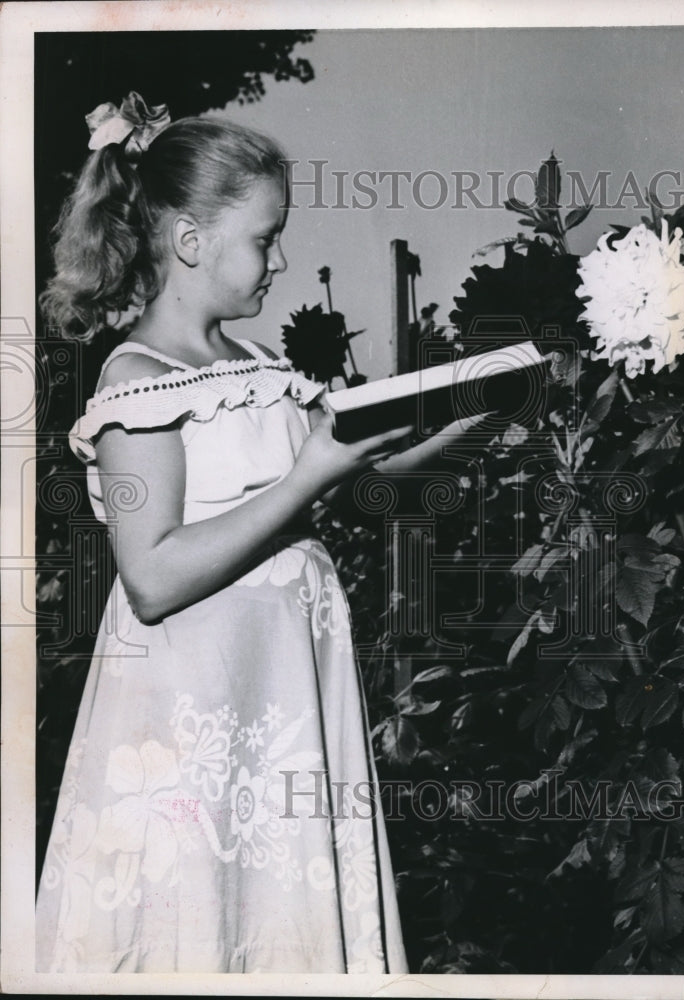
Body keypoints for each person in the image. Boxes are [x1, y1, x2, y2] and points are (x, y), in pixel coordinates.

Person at [35, 93, 480, 974]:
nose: (279, 260)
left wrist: (465, 412)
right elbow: (151, 576)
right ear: (192, 242)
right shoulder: (136, 384)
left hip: (279, 692)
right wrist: (310, 473)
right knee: (199, 908)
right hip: (196, 706)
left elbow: (350, 469)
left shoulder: (258, 369)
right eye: (265, 237)